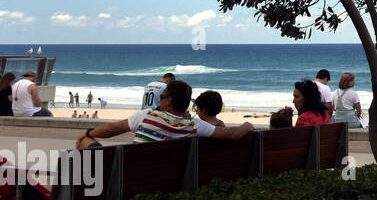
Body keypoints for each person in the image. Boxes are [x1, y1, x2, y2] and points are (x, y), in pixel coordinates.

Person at [75, 80, 251, 148]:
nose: (160, 100)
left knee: (85, 142)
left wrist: (87, 133)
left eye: (163, 97)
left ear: (169, 101)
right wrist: (248, 125)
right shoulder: (195, 125)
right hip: (165, 178)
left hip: (129, 172)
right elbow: (235, 133)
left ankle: (82, 196)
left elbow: (111, 129)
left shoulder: (147, 115)